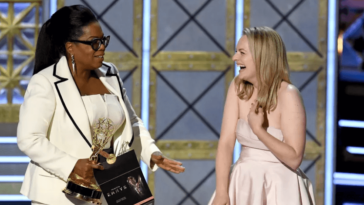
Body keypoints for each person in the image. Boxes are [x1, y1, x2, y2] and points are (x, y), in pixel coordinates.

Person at [17, 5, 185, 205]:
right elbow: (29, 138)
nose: (102, 47)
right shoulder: (45, 82)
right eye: (94, 43)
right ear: (70, 46)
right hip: (59, 195)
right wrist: (72, 165)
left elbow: (131, 122)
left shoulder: (110, 73)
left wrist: (152, 153)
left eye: (103, 40)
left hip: (109, 190)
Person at [209, 27, 315, 205]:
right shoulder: (237, 87)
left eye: (242, 53)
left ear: (261, 57)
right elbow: (226, 143)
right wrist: (222, 192)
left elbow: (294, 158)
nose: (235, 58)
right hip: (243, 183)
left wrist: (259, 130)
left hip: (281, 187)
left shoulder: (288, 94)